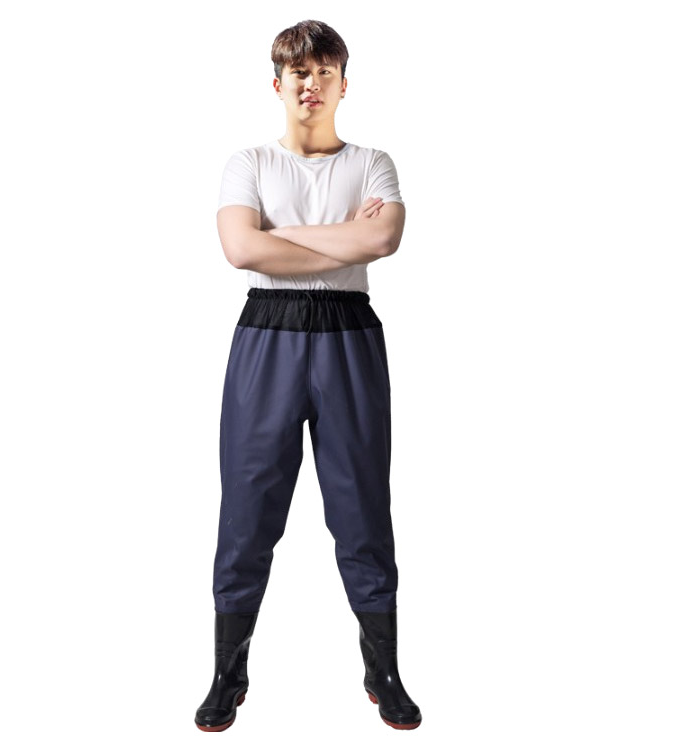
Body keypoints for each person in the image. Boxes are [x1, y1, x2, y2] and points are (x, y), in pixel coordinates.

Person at [194, 19, 422, 732]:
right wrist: (338, 240)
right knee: (248, 507)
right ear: (278, 83)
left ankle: (383, 670)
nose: (311, 83)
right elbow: (240, 251)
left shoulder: (373, 163)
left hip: (349, 333)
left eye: (325, 71)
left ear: (344, 84)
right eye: (299, 71)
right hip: (267, 333)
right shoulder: (250, 163)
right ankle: (228, 671)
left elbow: (382, 237)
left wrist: (279, 236)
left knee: (362, 507)